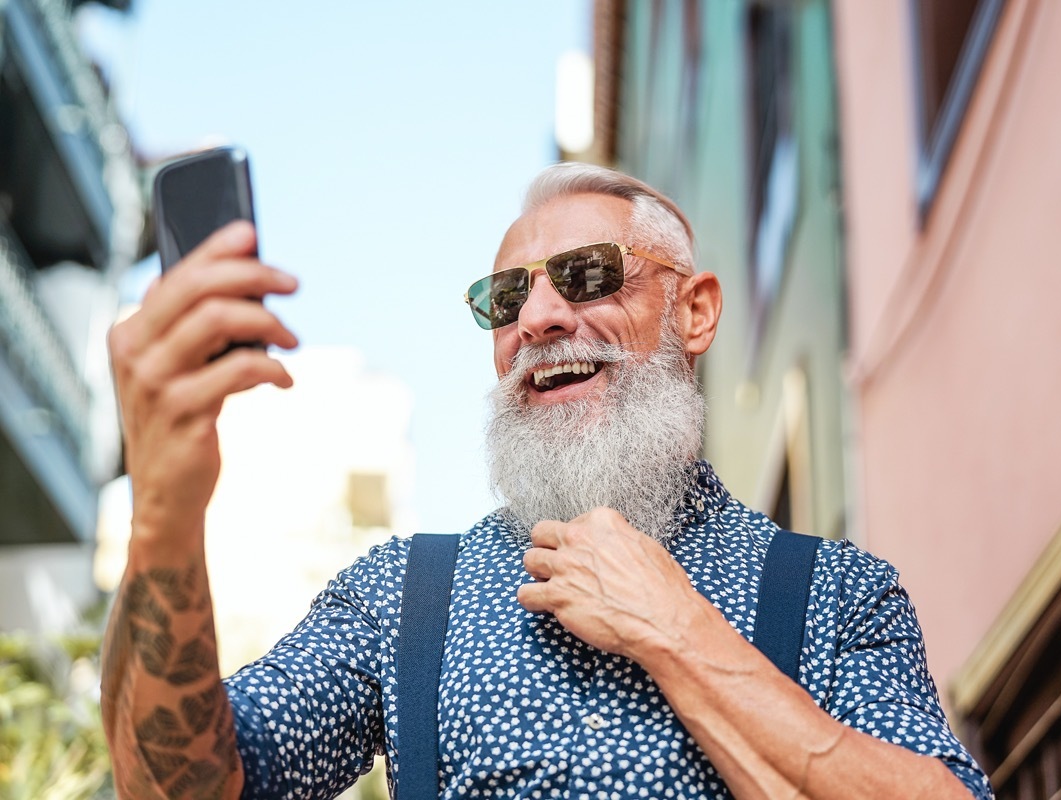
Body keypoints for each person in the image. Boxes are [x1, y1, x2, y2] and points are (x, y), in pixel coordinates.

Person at [101, 162, 993, 800]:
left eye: (587, 275)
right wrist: (166, 517)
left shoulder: (841, 595)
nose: (537, 318)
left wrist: (674, 631)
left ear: (695, 310)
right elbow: (181, 787)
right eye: (504, 299)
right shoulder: (404, 596)